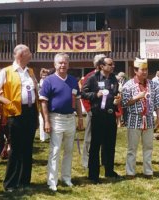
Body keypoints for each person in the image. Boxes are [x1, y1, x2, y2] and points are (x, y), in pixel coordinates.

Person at [0, 44, 38, 191]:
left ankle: (25, 181)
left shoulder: (30, 71)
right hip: (15, 113)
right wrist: (6, 102)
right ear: (20, 55)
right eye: (29, 53)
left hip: (30, 112)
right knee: (16, 148)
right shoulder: (6, 71)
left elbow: (35, 88)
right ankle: (10, 183)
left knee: (27, 148)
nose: (31, 55)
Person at [39, 53, 84, 192]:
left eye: (65, 63)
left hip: (70, 118)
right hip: (55, 118)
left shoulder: (72, 80)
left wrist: (80, 118)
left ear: (68, 64)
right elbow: (43, 102)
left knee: (69, 150)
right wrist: (46, 121)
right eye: (60, 63)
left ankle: (66, 177)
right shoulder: (49, 81)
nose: (62, 65)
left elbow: (77, 100)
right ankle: (52, 181)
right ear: (55, 64)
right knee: (55, 150)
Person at [122, 58, 159, 179]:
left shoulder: (152, 84)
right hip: (134, 119)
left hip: (148, 119)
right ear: (136, 71)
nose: (145, 72)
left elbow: (158, 101)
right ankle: (130, 172)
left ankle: (148, 171)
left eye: (146, 70)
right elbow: (124, 103)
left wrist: (158, 116)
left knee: (148, 147)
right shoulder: (128, 85)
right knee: (132, 148)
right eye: (142, 70)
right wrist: (137, 97)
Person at [82, 56, 122, 184]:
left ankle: (109, 171)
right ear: (101, 66)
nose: (112, 66)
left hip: (110, 116)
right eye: (110, 64)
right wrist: (95, 95)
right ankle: (93, 174)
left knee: (110, 144)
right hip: (97, 116)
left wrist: (116, 100)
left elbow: (115, 93)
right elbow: (82, 93)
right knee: (95, 145)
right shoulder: (93, 78)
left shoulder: (113, 78)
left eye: (113, 64)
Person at [81, 54, 106, 169]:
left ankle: (104, 161)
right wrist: (89, 110)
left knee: (104, 138)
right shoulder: (89, 76)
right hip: (93, 112)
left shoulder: (108, 77)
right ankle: (86, 161)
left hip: (105, 113)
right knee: (89, 138)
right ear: (99, 65)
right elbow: (84, 94)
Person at [38, 68, 50, 142]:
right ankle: (43, 137)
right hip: (41, 102)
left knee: (48, 118)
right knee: (42, 119)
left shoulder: (48, 82)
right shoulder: (40, 83)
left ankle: (48, 135)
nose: (44, 76)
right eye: (43, 75)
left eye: (45, 75)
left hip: (48, 102)